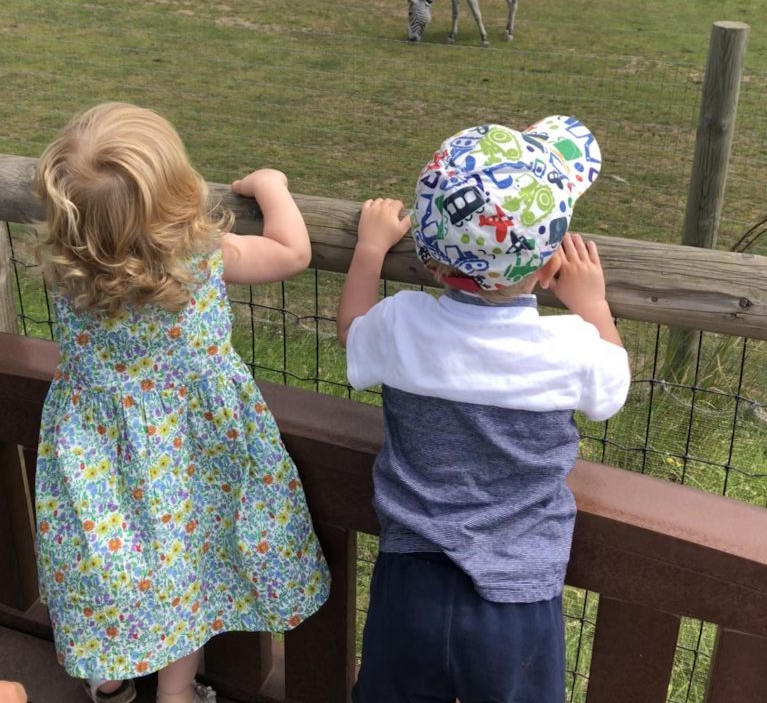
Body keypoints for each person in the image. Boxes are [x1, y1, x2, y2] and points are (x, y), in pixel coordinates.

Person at [34, 103, 330, 703]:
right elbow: (293, 252)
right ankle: (176, 693)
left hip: (96, 449)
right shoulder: (203, 257)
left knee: (108, 564)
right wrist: (271, 187)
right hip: (193, 452)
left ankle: (112, 680)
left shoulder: (69, 273)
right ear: (178, 193)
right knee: (185, 568)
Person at [337, 116, 630, 703]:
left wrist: (370, 251)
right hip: (517, 601)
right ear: (550, 269)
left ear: (431, 260)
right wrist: (593, 305)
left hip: (409, 583)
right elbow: (611, 390)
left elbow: (353, 335)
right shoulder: (569, 347)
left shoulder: (404, 324)